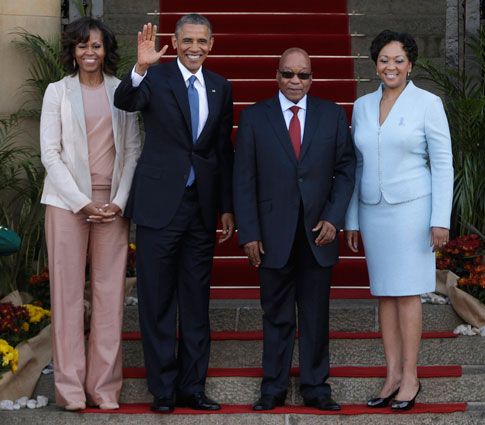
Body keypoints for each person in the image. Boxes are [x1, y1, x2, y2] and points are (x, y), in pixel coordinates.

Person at [113, 14, 234, 413]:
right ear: (176, 42)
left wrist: (226, 207)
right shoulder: (156, 76)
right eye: (187, 40)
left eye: (201, 41)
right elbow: (125, 101)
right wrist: (139, 68)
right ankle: (163, 390)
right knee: (157, 301)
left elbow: (221, 150)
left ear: (211, 44)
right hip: (159, 206)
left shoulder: (220, 86)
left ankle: (192, 388)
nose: (194, 47)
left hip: (201, 209)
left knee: (196, 302)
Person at [233, 48, 356, 411]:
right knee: (276, 315)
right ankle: (273, 387)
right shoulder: (254, 117)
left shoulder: (332, 115)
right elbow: (243, 179)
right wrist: (249, 232)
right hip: (272, 234)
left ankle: (316, 387)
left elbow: (346, 170)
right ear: (277, 75)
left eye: (303, 75)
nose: (295, 81)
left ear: (312, 78)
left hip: (320, 232)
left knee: (316, 315)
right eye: (288, 74)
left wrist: (334, 218)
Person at [345, 30, 453, 411]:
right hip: (373, 211)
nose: (391, 66)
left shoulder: (428, 103)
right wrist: (352, 217)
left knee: (407, 294)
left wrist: (440, 219)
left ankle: (411, 376)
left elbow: (443, 164)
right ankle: (391, 375)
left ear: (410, 65)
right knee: (385, 293)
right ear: (375, 64)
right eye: (384, 60)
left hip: (413, 212)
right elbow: (357, 165)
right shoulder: (361, 106)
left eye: (398, 60)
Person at [40, 17, 141, 411]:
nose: (89, 52)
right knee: (66, 297)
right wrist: (81, 201)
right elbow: (50, 153)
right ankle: (70, 391)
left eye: (96, 46)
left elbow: (132, 151)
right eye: (82, 45)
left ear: (106, 50)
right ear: (73, 50)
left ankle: (104, 388)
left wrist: (120, 201)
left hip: (112, 205)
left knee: (109, 296)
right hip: (67, 204)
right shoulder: (57, 92)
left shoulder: (121, 91)